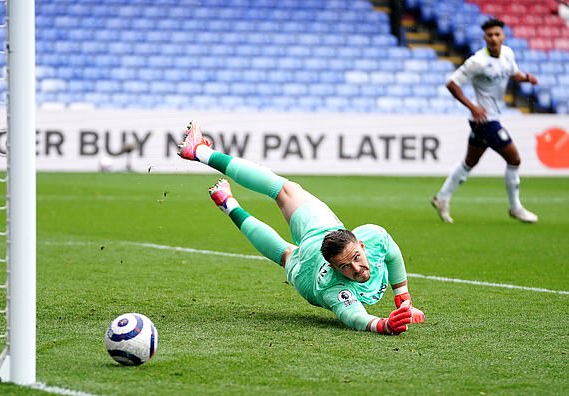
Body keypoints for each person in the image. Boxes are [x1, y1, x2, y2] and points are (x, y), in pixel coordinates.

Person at [178, 121, 425, 335]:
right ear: (332, 266)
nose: (357, 269)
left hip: (309, 271)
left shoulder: (367, 242)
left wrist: (403, 304)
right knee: (285, 239)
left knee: (285, 206)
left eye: (356, 258)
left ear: (361, 244)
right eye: (345, 267)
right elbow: (356, 318)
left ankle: (223, 193)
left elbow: (391, 253)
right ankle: (214, 179)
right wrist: (384, 324)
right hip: (313, 262)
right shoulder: (335, 286)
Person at [431, 18, 539, 224]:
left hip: (489, 119)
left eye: (497, 34)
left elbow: (512, 73)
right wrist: (473, 106)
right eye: (489, 35)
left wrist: (526, 77)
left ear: (503, 36)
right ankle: (516, 207)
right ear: (484, 38)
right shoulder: (477, 62)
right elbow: (452, 84)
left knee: (469, 162)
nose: (494, 38)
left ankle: (442, 198)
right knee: (514, 159)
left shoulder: (508, 54)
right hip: (485, 121)